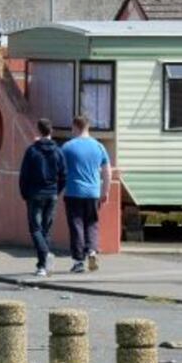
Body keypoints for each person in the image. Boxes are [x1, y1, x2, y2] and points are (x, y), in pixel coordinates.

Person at [62, 116, 112, 274]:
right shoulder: (99, 146)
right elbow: (107, 171)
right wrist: (106, 191)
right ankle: (91, 251)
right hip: (93, 192)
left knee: (76, 225)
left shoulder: (68, 147)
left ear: (75, 127)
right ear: (88, 127)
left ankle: (78, 262)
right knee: (91, 223)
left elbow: (60, 170)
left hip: (73, 192)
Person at [19, 118, 66, 277]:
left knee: (35, 228)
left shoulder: (32, 151)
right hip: (51, 193)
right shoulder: (58, 151)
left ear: (38, 131)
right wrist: (56, 191)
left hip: (35, 194)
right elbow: (63, 175)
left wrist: (24, 193)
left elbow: (24, 175)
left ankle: (44, 257)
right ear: (51, 131)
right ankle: (42, 266)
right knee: (45, 229)